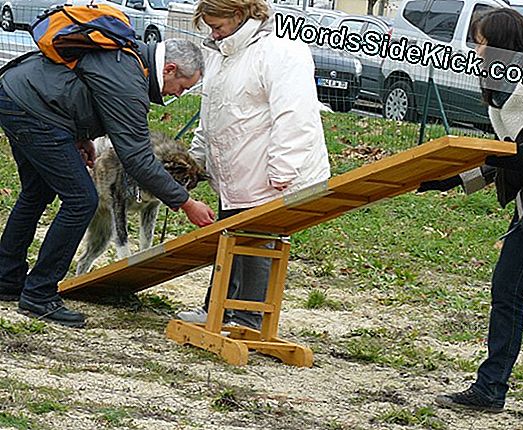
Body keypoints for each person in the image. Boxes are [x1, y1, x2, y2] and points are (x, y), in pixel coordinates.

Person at [419, 9, 523, 430]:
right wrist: (453, 179)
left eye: (482, 41)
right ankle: (490, 390)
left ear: (506, 44)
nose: (476, 49)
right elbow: (508, 155)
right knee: (505, 291)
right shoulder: (508, 88)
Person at [0, 38, 216, 328]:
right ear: (169, 69)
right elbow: (137, 157)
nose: (178, 94)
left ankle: (6, 278)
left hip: (17, 93)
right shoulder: (131, 81)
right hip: (32, 108)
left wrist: (81, 135)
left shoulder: (129, 60)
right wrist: (185, 201)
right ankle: (40, 294)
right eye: (183, 87)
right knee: (82, 200)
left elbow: (81, 88)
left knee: (36, 193)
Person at [176, 0, 331, 329]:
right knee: (229, 235)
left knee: (256, 240)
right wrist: (196, 159)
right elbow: (211, 114)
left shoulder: (281, 53)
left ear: (239, 15)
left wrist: (283, 170)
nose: (213, 34)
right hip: (238, 168)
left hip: (270, 171)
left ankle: (248, 317)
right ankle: (217, 308)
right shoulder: (220, 55)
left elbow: (295, 116)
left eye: (217, 26)